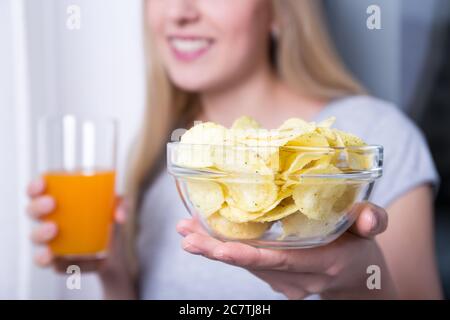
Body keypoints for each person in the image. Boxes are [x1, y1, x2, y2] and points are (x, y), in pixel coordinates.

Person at [26, 0, 443, 299]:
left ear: (279, 11)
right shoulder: (159, 160)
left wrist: (353, 284)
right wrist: (113, 273)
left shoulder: (372, 137)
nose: (179, 11)